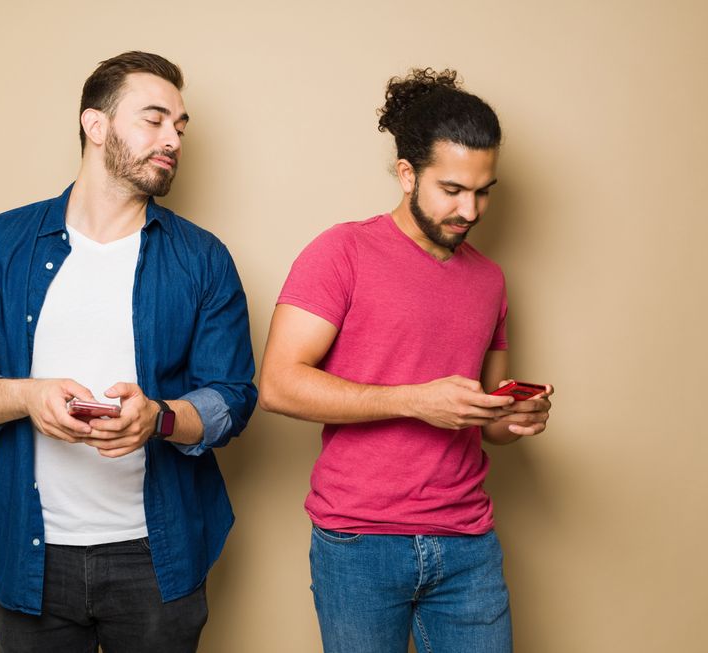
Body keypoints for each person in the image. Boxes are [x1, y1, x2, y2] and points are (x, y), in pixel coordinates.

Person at [0, 51, 256, 652]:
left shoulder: (204, 259)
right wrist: (28, 396)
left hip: (159, 558)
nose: (172, 139)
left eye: (180, 126)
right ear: (95, 125)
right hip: (30, 557)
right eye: (153, 119)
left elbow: (232, 398)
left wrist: (161, 417)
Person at [258, 68, 553, 653]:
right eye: (451, 189)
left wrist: (516, 418)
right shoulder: (341, 251)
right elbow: (278, 385)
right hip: (359, 542)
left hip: (468, 541)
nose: (470, 209)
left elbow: (488, 419)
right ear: (406, 174)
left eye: (484, 189)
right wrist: (413, 400)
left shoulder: (490, 280)